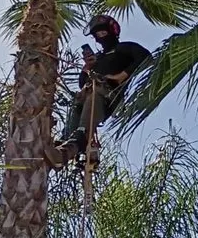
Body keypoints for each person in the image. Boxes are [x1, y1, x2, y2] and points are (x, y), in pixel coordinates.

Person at [46, 14, 151, 167]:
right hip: (89, 92)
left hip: (108, 95)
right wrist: (87, 67)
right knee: (78, 101)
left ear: (112, 31)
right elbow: (82, 83)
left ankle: (79, 139)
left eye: (102, 33)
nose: (99, 38)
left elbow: (146, 57)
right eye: (97, 35)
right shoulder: (98, 58)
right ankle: (65, 143)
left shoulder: (124, 48)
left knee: (93, 96)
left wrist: (120, 76)